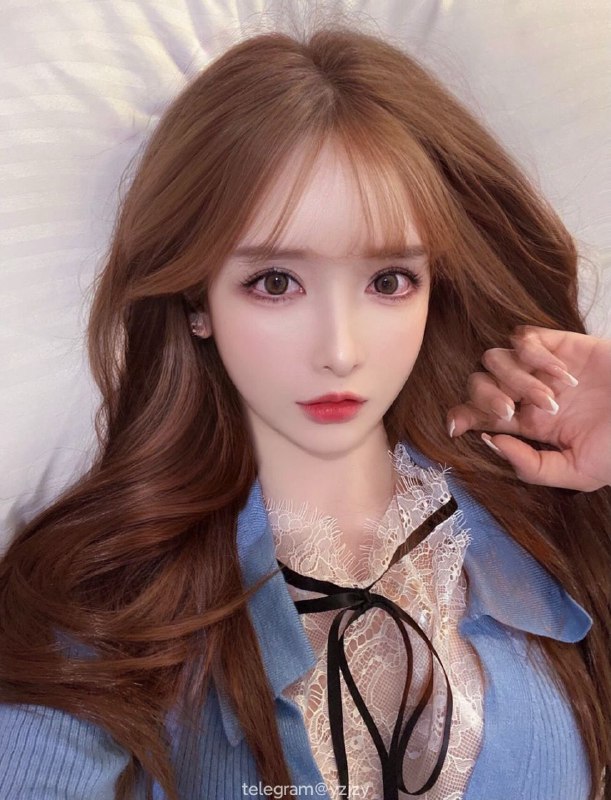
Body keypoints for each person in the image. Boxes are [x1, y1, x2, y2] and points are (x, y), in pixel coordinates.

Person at [0, 24, 609, 800]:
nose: (340, 350)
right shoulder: (110, 593)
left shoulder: (550, 523)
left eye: (387, 281)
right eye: (276, 282)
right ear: (196, 298)